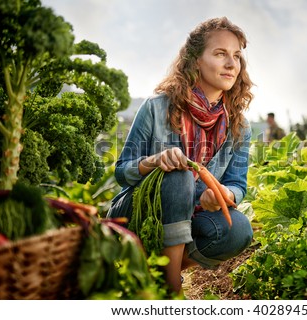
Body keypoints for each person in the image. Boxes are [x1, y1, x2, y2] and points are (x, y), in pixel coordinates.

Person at [107, 17, 254, 294]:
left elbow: (238, 184)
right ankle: (170, 288)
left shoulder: (239, 126)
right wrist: (152, 162)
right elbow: (121, 172)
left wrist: (225, 194)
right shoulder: (156, 107)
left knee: (239, 230)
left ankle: (160, 269)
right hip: (139, 215)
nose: (231, 64)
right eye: (220, 53)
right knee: (178, 175)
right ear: (195, 60)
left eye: (236, 56)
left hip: (190, 218)